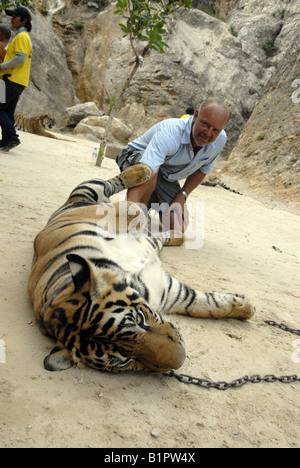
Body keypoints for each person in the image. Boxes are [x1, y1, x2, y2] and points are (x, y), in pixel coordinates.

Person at [116, 97, 229, 232]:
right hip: (136, 157)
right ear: (196, 116)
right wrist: (130, 213)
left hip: (165, 174)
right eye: (205, 124)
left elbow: (203, 170)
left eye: (215, 130)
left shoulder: (220, 139)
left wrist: (182, 197)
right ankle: (138, 211)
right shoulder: (170, 131)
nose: (208, 133)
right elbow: (146, 169)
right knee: (134, 215)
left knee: (177, 229)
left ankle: (148, 203)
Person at [0, 7, 32, 152]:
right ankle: (7, 140)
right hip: (17, 80)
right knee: (7, 112)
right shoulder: (23, 37)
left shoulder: (21, 37)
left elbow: (20, 58)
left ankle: (12, 138)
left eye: (15, 16)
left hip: (12, 79)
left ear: (23, 20)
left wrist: (2, 67)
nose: (12, 19)